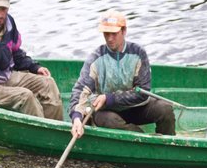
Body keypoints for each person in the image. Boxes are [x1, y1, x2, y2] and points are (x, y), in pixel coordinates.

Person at [69, 9, 176, 138]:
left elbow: (142, 92)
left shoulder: (138, 53)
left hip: (135, 107)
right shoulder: (96, 58)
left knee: (165, 109)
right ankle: (143, 140)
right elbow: (80, 90)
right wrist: (76, 118)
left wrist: (109, 98)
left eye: (114, 34)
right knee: (109, 121)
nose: (109, 38)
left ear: (124, 31)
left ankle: (168, 143)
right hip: (107, 111)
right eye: (106, 34)